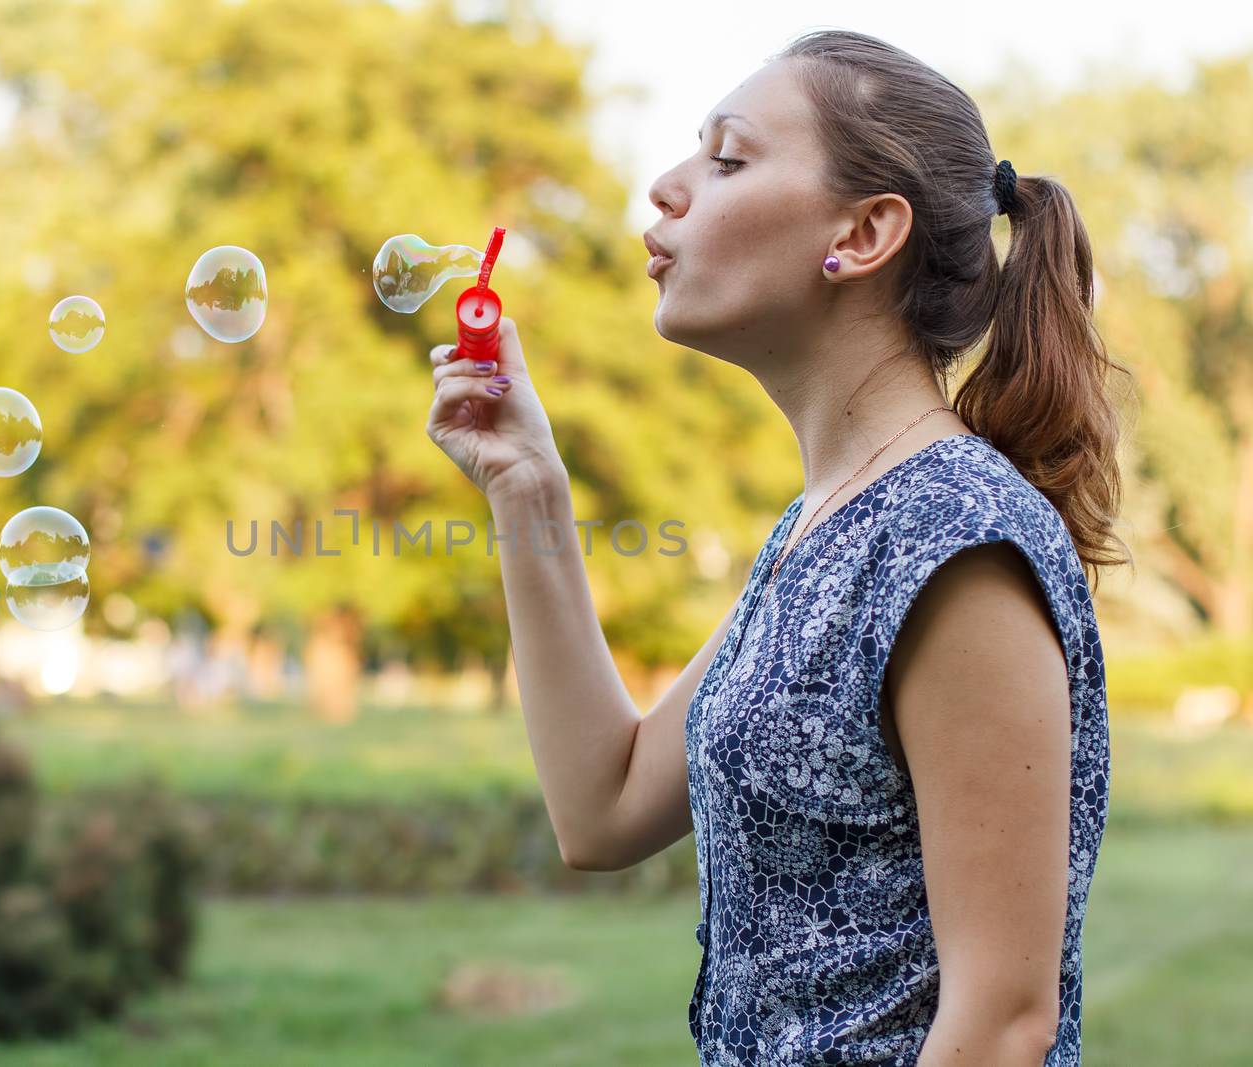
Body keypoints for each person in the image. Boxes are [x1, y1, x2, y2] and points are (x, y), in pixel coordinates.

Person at [424, 28, 1133, 1067]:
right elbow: (604, 806)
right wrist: (528, 487)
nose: (665, 189)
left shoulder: (957, 544)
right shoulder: (830, 524)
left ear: (862, 231)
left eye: (726, 158)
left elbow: (1001, 1026)